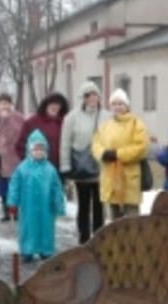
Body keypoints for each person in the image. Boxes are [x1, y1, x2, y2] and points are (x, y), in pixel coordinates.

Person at [7, 130, 66, 262]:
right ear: (29, 150)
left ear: (45, 150)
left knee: (46, 228)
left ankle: (46, 250)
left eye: (41, 149)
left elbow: (56, 187)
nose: (38, 152)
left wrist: (58, 204)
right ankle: (27, 250)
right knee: (28, 227)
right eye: (35, 149)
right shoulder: (22, 168)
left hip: (46, 206)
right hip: (28, 206)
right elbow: (14, 186)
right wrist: (13, 203)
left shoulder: (50, 169)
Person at [91, 88, 149, 220]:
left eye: (120, 104)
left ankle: (133, 241)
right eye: (114, 104)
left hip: (129, 179)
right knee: (114, 219)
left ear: (127, 106)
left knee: (132, 219)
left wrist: (118, 154)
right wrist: (103, 154)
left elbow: (140, 147)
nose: (117, 107)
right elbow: (95, 143)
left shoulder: (136, 124)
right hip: (110, 179)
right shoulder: (105, 126)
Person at [60, 81, 107, 242]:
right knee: (84, 205)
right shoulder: (71, 118)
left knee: (100, 206)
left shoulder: (106, 115)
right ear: (83, 97)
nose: (92, 98)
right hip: (82, 168)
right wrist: (65, 166)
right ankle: (84, 238)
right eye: (88, 95)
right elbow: (65, 143)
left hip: (102, 168)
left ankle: (99, 238)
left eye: (95, 94)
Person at [16, 92, 69, 174]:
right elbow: (20, 145)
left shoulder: (65, 122)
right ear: (45, 105)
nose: (54, 107)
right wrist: (29, 163)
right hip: (38, 169)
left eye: (58, 104)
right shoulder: (32, 122)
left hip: (59, 169)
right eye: (51, 104)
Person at [0, 93, 25, 223]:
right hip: (0, 157)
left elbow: (22, 131)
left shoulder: (18, 117)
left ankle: (15, 212)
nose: (4, 106)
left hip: (15, 156)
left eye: (6, 103)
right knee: (3, 188)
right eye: (1, 103)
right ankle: (6, 212)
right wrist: (2, 120)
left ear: (11, 104)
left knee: (15, 186)